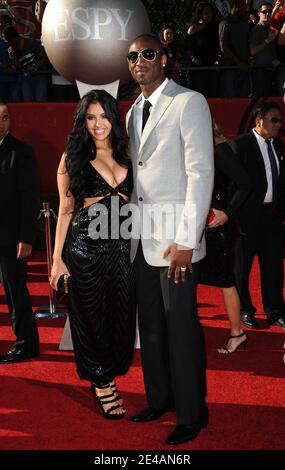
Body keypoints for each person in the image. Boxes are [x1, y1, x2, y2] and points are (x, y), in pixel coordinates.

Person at [126, 34, 214, 445]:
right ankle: (159, 398)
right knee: (153, 329)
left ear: (164, 58)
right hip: (142, 240)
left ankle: (193, 414)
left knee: (180, 329)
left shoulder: (189, 102)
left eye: (147, 54)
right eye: (132, 57)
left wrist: (186, 239)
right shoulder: (131, 112)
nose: (139, 61)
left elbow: (200, 173)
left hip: (176, 242)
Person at [50, 90, 136, 419]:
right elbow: (66, 210)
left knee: (120, 317)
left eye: (103, 116)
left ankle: (108, 372)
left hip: (122, 250)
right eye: (90, 117)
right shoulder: (72, 158)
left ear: (113, 118)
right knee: (91, 319)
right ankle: (102, 383)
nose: (98, 124)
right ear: (82, 121)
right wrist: (57, 260)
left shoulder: (127, 154)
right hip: (85, 250)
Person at [231, 101, 285, 329]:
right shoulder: (240, 145)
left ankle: (275, 311)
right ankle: (245, 310)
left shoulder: (280, 146)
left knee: (273, 267)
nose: (279, 125)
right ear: (259, 120)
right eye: (274, 120)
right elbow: (231, 183)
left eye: (280, 121)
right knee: (241, 268)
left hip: (272, 218)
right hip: (246, 218)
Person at [199, 121, 251, 354]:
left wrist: (227, 214)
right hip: (204, 225)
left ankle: (237, 333)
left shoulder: (219, 151)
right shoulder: (208, 150)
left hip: (217, 227)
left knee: (226, 281)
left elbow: (246, 184)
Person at [0, 99, 40, 363]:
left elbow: (30, 199)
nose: (1, 122)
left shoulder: (21, 152)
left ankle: (26, 343)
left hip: (11, 238)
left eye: (5, 117)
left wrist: (27, 237)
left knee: (16, 292)